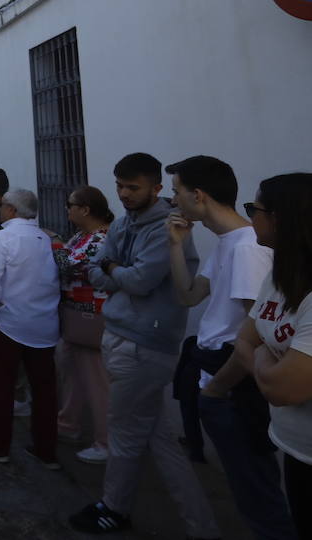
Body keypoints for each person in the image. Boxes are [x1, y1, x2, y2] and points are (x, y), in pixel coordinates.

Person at [70, 153, 218, 537]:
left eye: (132, 187)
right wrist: (114, 269)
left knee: (124, 434)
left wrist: (112, 268)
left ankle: (114, 508)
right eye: (119, 186)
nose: (123, 194)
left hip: (145, 344)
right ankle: (201, 526)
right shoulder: (122, 224)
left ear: (155, 187)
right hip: (120, 335)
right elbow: (95, 270)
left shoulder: (167, 230)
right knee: (160, 440)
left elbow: (138, 281)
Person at [165, 156, 292, 539]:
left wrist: (217, 387)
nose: (174, 201)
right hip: (219, 378)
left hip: (233, 384)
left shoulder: (248, 248)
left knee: (258, 495)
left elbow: (265, 333)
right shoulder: (229, 242)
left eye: (176, 192)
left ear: (198, 195)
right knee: (249, 489)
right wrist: (176, 245)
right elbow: (188, 297)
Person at [234, 173, 312, 537]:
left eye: (255, 209)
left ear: (282, 218)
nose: (250, 217)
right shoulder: (280, 275)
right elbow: (243, 340)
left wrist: (264, 357)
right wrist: (270, 363)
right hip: (294, 448)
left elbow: (284, 391)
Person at [0, 189, 59, 467]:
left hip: (9, 322)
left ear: (12, 210)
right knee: (44, 390)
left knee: (1, 386)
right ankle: (46, 449)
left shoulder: (3, 238)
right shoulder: (48, 238)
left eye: (4, 205)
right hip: (43, 325)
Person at [57, 185, 114, 464]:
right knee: (71, 372)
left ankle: (106, 441)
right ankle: (68, 424)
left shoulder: (100, 239)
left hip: (92, 316)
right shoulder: (83, 235)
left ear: (86, 209)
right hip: (75, 315)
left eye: (71, 204)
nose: (67, 209)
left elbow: (64, 263)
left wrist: (52, 244)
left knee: (96, 380)